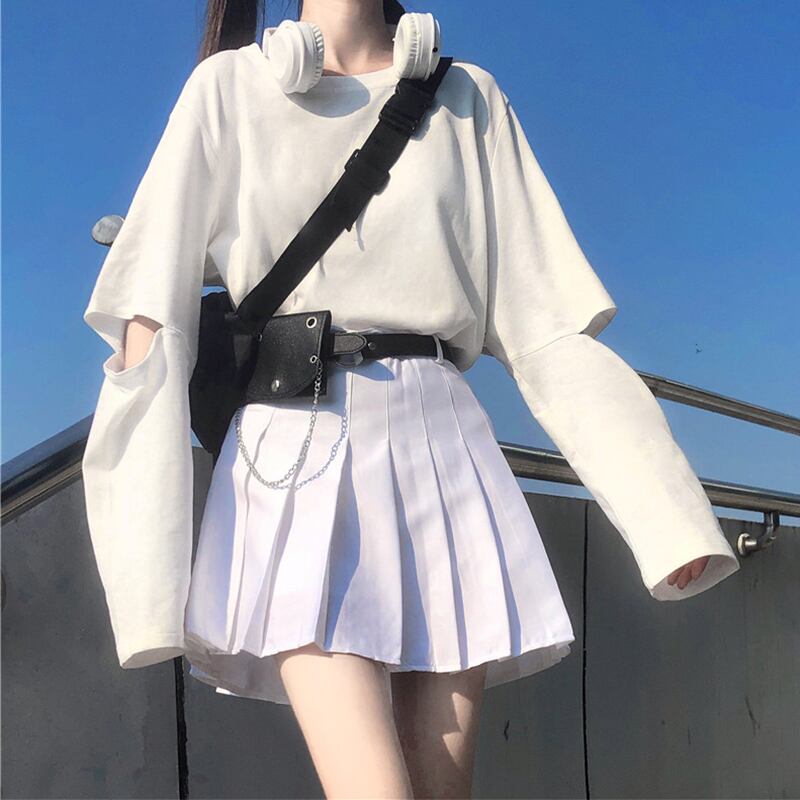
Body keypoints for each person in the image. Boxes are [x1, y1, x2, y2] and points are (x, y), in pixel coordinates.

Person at [81, 0, 741, 797]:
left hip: (444, 451)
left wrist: (666, 513)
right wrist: (146, 575)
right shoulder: (229, 88)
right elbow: (149, 333)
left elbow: (547, 331)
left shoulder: (467, 96)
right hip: (291, 455)